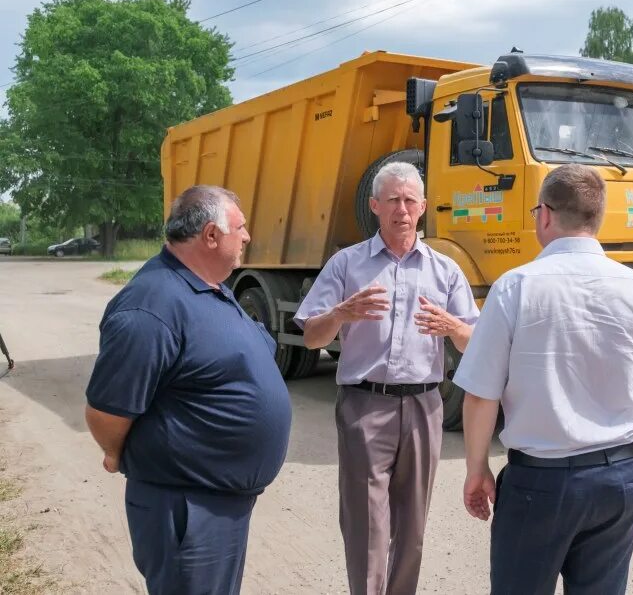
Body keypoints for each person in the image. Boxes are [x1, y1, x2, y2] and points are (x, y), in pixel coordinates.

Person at [455, 164, 633, 595]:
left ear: (545, 215)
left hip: (539, 484)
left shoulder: (514, 288)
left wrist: (477, 467)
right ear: (597, 218)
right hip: (618, 479)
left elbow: (481, 394)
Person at [85, 185, 292, 595]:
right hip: (186, 509)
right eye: (241, 227)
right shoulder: (151, 306)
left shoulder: (212, 287)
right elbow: (106, 413)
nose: (248, 236)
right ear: (211, 235)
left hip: (218, 503)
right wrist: (115, 451)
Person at [294, 161, 478, 595]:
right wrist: (341, 313)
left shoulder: (445, 270)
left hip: (424, 405)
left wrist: (452, 327)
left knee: (412, 525)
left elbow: (474, 341)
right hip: (364, 405)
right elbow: (308, 337)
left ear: (424, 207)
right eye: (392, 200)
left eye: (410, 200)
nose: (402, 209)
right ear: (375, 205)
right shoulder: (347, 264)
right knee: (366, 524)